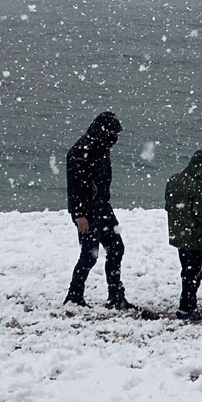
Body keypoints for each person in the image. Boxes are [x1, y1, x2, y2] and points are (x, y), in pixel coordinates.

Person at [64, 111, 134, 309]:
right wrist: (79, 215)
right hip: (87, 210)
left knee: (116, 248)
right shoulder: (80, 150)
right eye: (112, 133)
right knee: (89, 255)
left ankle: (115, 297)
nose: (115, 139)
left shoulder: (102, 147)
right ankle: (74, 297)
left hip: (103, 206)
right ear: (103, 131)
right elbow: (74, 187)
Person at [165, 149, 202, 321]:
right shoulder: (198, 187)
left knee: (186, 271)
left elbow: (169, 205)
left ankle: (186, 304)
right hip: (196, 238)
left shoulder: (173, 180)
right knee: (196, 273)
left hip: (179, 236)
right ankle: (187, 307)